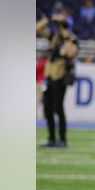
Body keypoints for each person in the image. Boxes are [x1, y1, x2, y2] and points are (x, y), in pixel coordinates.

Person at [36, 13, 78, 148]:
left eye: (60, 26)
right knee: (47, 108)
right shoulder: (53, 37)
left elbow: (70, 54)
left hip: (61, 76)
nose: (58, 28)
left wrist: (66, 36)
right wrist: (49, 19)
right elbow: (37, 28)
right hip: (49, 76)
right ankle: (52, 138)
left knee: (58, 108)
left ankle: (63, 139)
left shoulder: (71, 39)